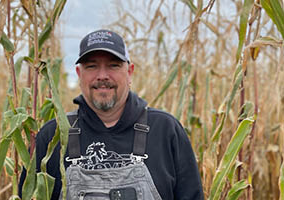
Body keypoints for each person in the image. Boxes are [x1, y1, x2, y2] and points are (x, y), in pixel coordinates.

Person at [19, 29, 204, 200]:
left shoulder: (165, 130)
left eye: (113, 65)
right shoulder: (53, 137)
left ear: (130, 72)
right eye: (92, 66)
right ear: (79, 74)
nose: (102, 75)